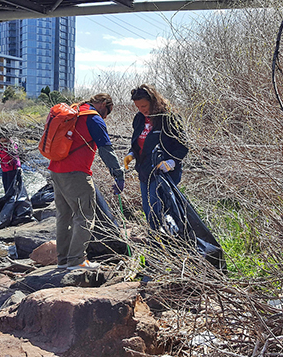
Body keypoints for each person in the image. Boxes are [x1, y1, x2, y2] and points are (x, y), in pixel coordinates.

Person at [48, 93, 125, 271]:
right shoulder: (93, 119)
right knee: (85, 215)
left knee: (64, 215)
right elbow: (106, 150)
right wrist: (118, 175)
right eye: (107, 112)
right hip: (76, 173)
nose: (105, 117)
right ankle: (76, 260)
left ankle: (63, 260)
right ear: (104, 104)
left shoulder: (74, 111)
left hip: (56, 169)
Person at [124, 84, 188, 231]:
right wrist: (131, 154)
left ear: (153, 101)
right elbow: (138, 142)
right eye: (138, 106)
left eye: (144, 105)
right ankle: (155, 238)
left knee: (158, 208)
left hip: (163, 173)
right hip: (144, 170)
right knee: (148, 208)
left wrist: (171, 161)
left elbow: (183, 145)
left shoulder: (169, 117)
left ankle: (166, 241)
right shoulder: (139, 119)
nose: (142, 110)